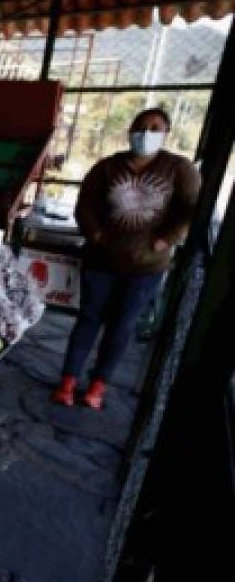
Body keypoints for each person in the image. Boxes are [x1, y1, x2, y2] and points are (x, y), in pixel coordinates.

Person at [53, 108, 200, 409]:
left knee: (122, 326)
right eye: (141, 126)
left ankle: (97, 386)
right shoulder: (107, 167)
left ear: (165, 133)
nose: (146, 132)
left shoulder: (178, 169)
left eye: (154, 127)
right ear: (130, 130)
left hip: (145, 268)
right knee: (88, 319)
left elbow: (191, 209)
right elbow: (85, 206)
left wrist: (167, 239)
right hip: (100, 262)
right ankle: (68, 381)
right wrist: (94, 233)